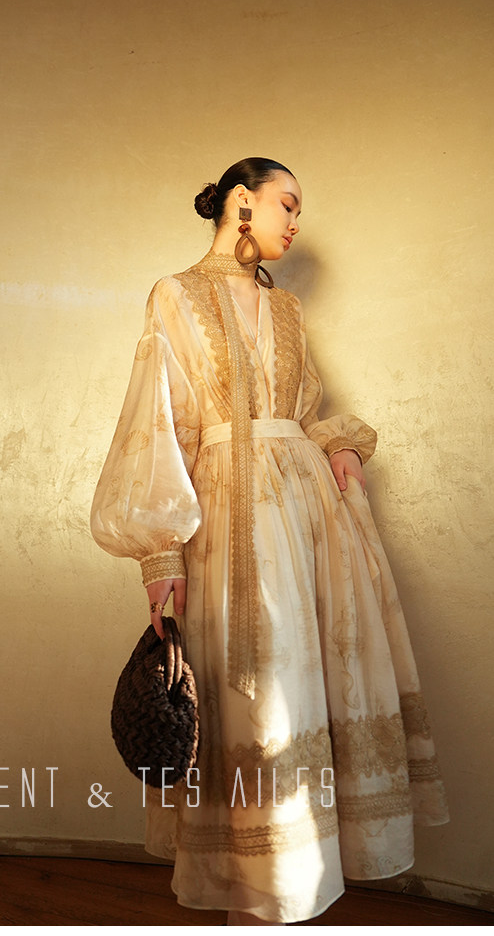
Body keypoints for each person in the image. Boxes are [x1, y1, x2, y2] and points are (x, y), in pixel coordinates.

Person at [90, 158, 449, 925]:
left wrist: (340, 445)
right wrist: (160, 552)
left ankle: (298, 885)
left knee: (309, 689)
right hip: (227, 522)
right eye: (287, 203)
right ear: (241, 202)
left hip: (312, 517)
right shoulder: (176, 294)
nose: (295, 221)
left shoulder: (286, 310)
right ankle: (253, 892)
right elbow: (159, 422)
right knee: (250, 699)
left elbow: (306, 408)